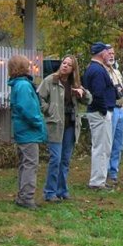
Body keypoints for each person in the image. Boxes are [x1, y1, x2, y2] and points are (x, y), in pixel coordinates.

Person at [37, 54, 91, 202]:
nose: (65, 65)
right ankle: (50, 192)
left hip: (71, 126)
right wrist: (48, 110)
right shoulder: (51, 81)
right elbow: (39, 97)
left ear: (73, 69)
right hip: (56, 125)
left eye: (68, 64)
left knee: (65, 160)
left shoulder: (75, 84)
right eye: (63, 63)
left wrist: (82, 93)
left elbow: (89, 100)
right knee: (56, 158)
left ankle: (62, 190)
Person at [8, 54, 47, 209]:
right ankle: (27, 197)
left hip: (23, 130)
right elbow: (28, 110)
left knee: (25, 164)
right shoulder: (23, 86)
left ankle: (22, 195)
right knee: (31, 164)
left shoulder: (18, 85)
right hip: (28, 131)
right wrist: (39, 122)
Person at [82, 41, 116, 190]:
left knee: (102, 147)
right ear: (101, 53)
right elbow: (98, 94)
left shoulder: (94, 68)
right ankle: (97, 181)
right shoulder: (97, 71)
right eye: (107, 52)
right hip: (100, 113)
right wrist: (104, 110)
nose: (109, 54)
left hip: (98, 112)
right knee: (102, 148)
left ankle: (99, 179)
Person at [107, 50, 123, 186]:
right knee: (109, 141)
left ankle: (114, 171)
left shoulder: (116, 72)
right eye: (109, 53)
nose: (112, 55)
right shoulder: (102, 72)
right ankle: (105, 171)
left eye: (113, 53)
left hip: (121, 110)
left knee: (119, 143)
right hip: (111, 109)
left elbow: (121, 90)